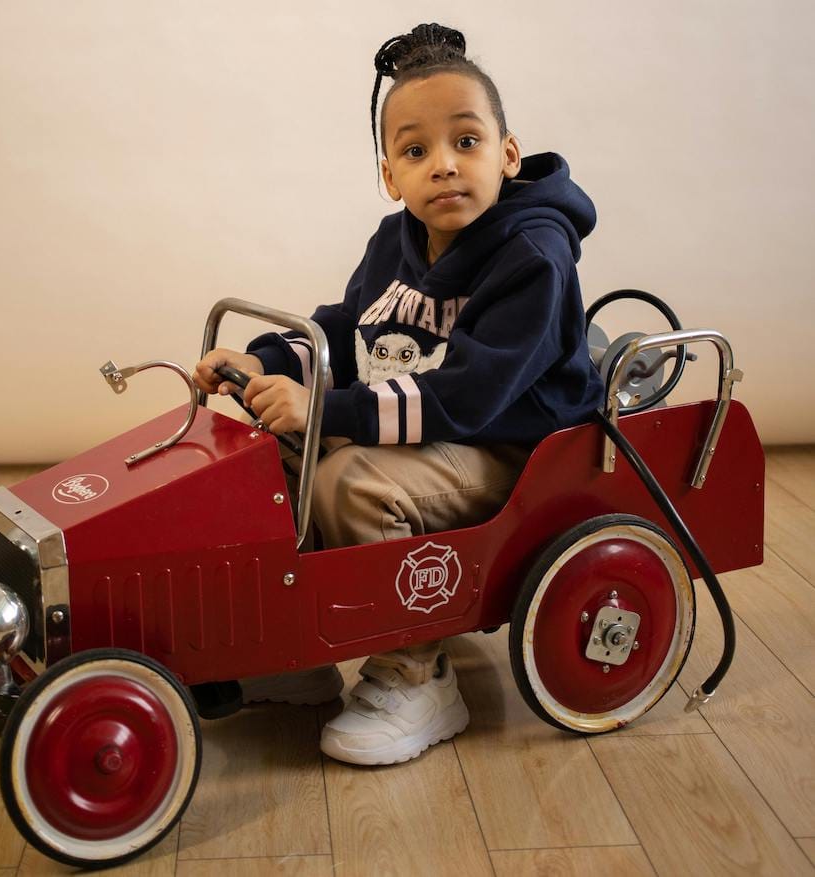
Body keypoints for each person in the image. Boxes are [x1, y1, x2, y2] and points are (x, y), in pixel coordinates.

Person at [193, 23, 604, 765]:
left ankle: (420, 673)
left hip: (516, 447)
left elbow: (470, 397)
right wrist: (261, 365)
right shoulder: (395, 240)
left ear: (508, 154)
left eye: (467, 142)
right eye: (416, 151)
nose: (443, 166)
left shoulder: (533, 254)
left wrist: (328, 411)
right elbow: (347, 332)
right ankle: (297, 652)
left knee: (351, 480)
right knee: (272, 458)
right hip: (426, 428)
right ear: (391, 174)